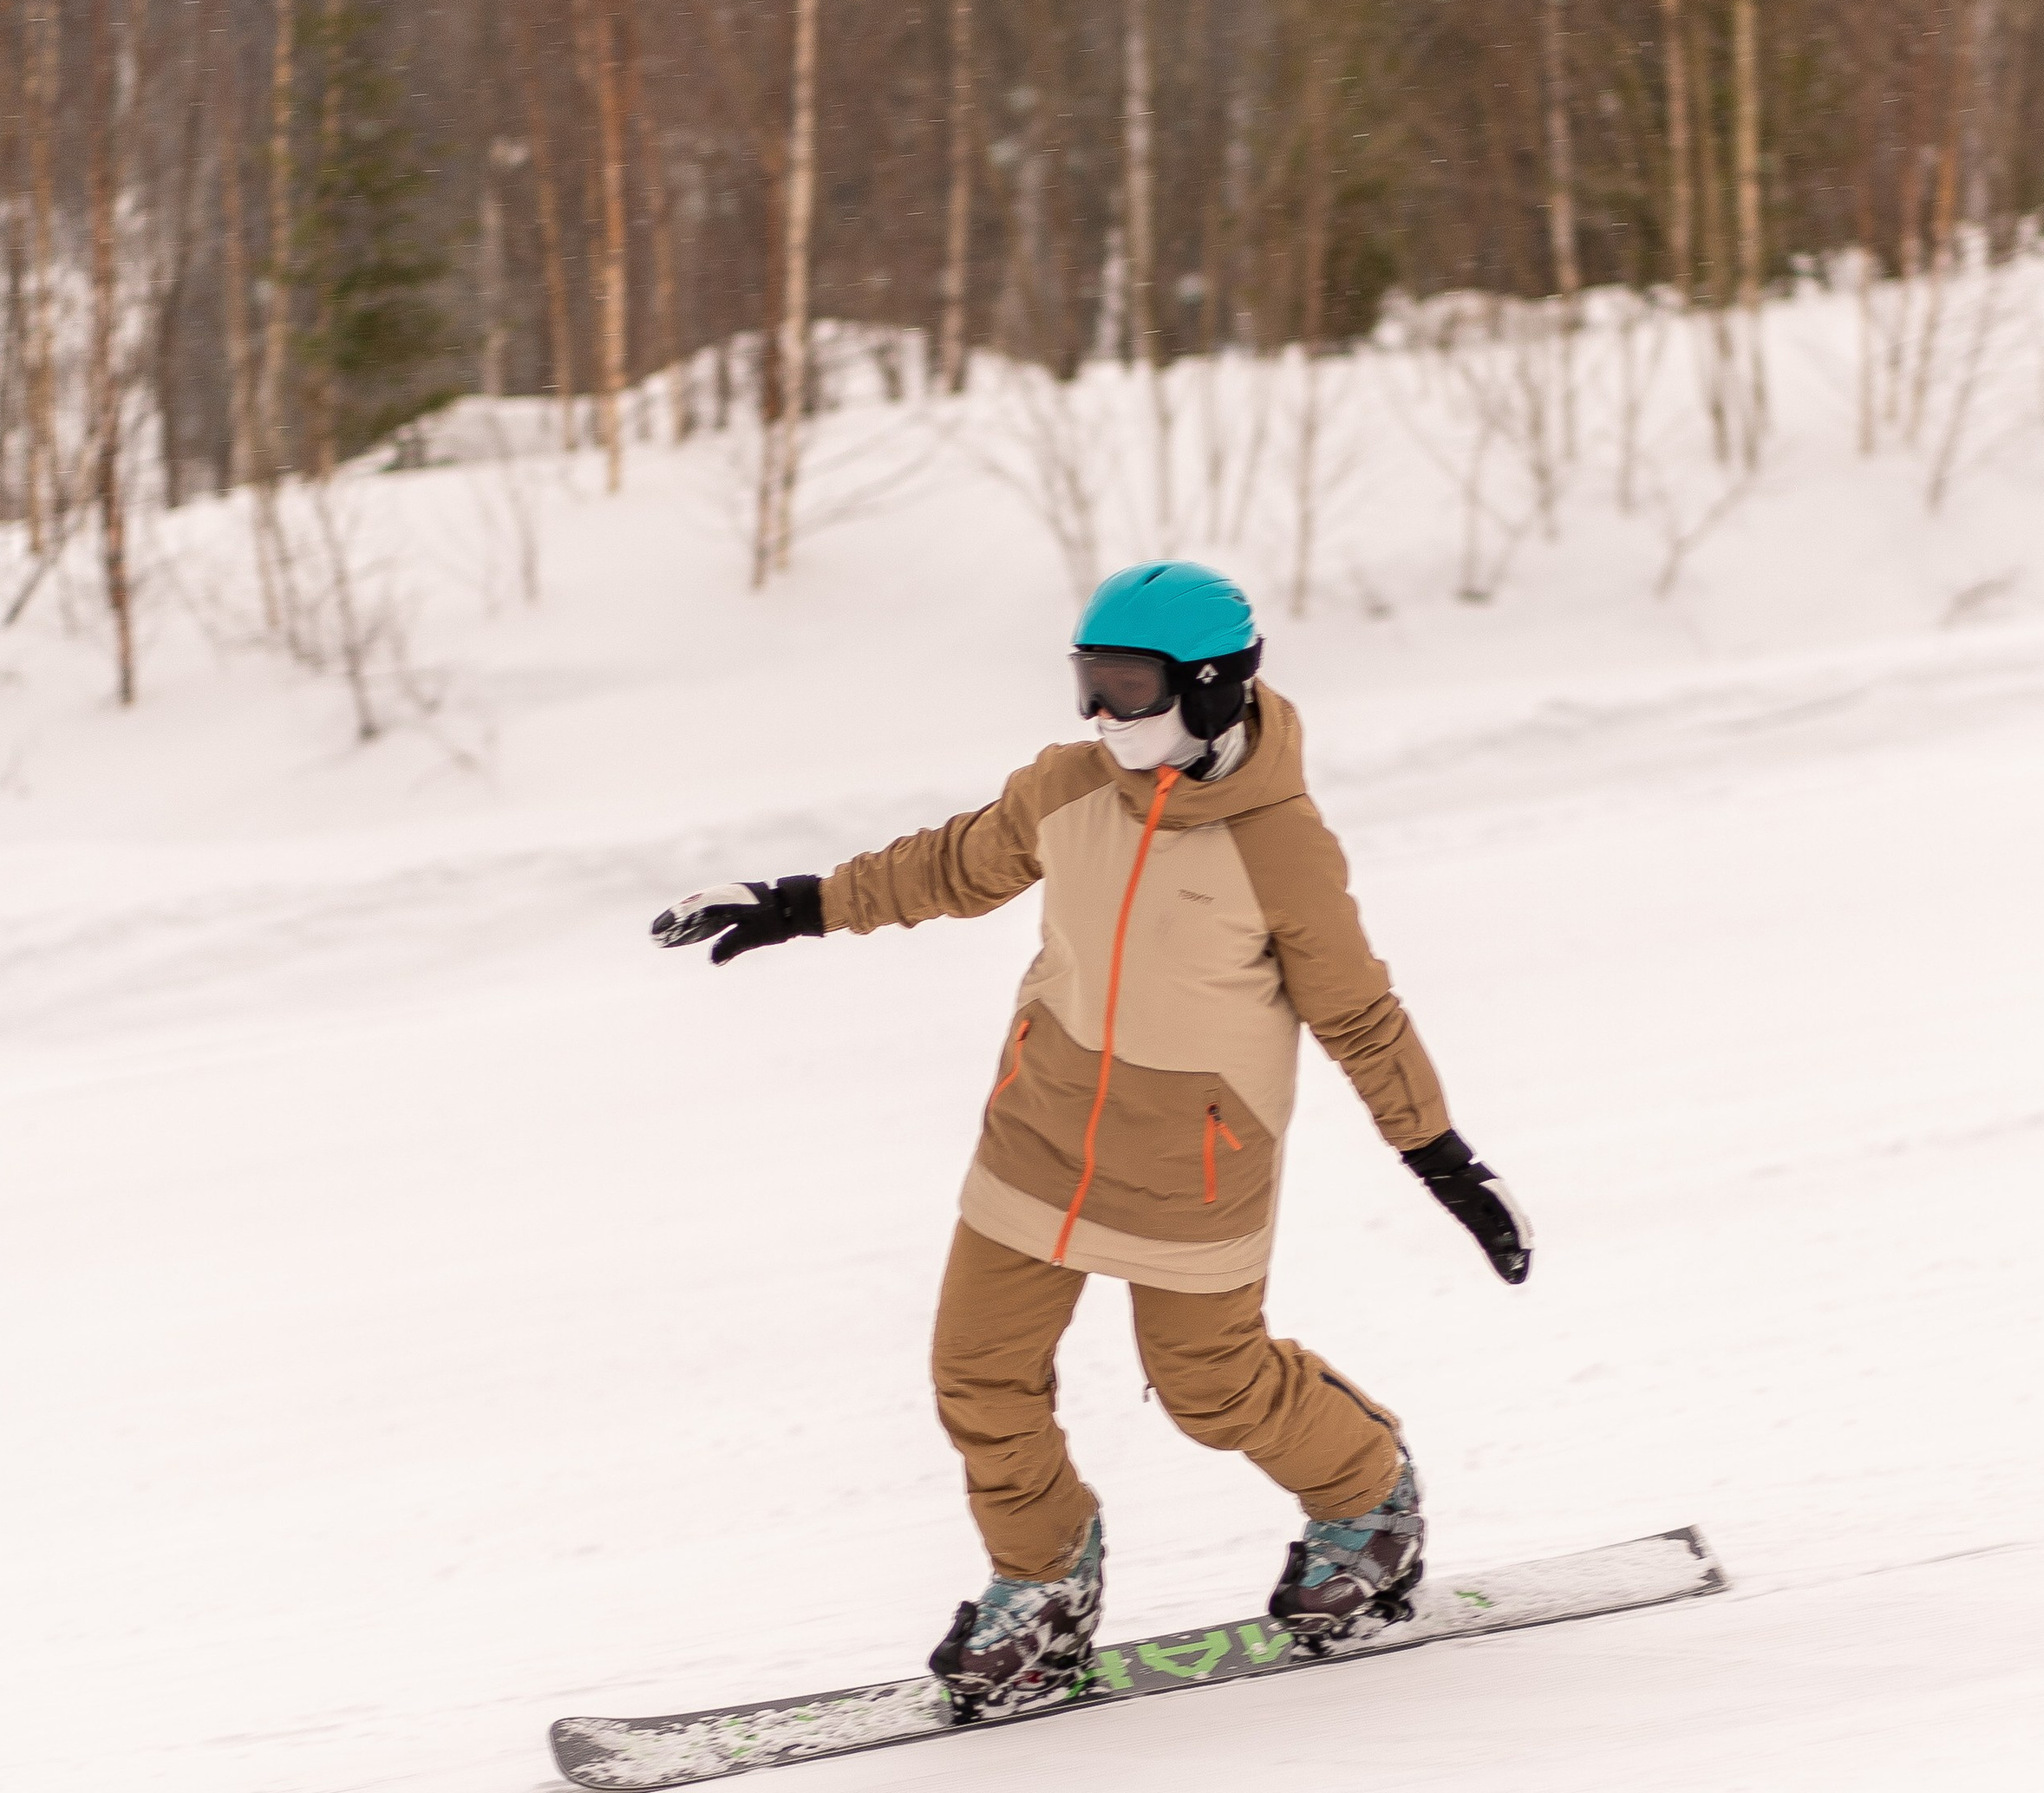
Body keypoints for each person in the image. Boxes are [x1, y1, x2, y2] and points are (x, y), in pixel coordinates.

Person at [653, 560, 1530, 1721]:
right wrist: (797, 902)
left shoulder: (1281, 844)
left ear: (1210, 687)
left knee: (1212, 1387)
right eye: (1089, 683)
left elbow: (1356, 1014)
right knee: (979, 1373)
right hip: (1042, 1133)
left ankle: (1367, 1500)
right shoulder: (1067, 789)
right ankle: (1044, 1585)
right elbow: (951, 865)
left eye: (1127, 686)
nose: (1102, 714)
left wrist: (1441, 1156)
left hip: (1195, 1160)